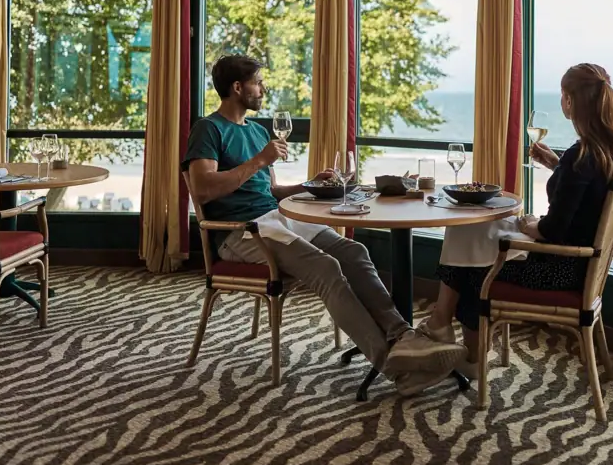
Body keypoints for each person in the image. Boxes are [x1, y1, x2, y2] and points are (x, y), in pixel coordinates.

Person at [183, 54, 466, 395]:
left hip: (276, 218)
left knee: (353, 251)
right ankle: (391, 363)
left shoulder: (257, 131)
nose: (264, 89)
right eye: (259, 82)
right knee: (326, 267)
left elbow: (271, 190)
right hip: (240, 232)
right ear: (238, 87)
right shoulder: (208, 129)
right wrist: (260, 159)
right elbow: (203, 187)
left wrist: (309, 184)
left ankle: (402, 335)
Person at [415, 63, 613, 376]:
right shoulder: (607, 151)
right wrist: (556, 165)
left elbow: (552, 229)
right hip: (581, 267)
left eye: (563, 95)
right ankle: (440, 325)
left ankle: (469, 356)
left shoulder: (581, 155)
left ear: (569, 101)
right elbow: (585, 192)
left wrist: (525, 225)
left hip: (558, 269)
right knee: (468, 233)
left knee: (474, 274)